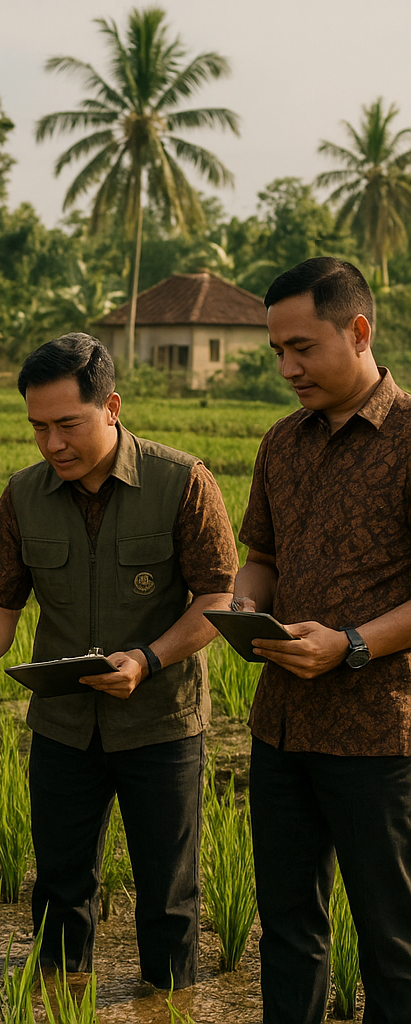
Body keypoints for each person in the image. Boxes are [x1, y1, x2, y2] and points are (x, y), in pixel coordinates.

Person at [0, 335, 237, 988]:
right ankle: (62, 998)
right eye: (38, 428)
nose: (52, 444)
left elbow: (220, 595)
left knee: (168, 894)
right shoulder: (23, 495)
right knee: (58, 885)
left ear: (110, 406)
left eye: (67, 425)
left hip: (162, 723)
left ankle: (169, 1002)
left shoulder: (182, 481)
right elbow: (0, 598)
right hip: (62, 726)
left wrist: (148, 658)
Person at [231, 257, 411, 1023]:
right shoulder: (283, 443)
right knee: (288, 932)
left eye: (301, 347)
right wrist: (243, 605)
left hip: (377, 736)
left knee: (393, 941)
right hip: (281, 728)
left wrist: (352, 644)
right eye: (276, 351)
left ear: (359, 330)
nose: (287, 367)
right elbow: (263, 558)